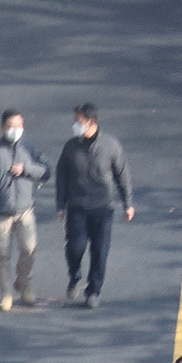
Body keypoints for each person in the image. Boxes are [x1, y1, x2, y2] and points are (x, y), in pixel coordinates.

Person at [55, 102, 133, 308]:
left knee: (100, 251)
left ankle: (93, 290)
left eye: (79, 121)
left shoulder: (111, 145)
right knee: (75, 246)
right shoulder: (71, 147)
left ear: (91, 122)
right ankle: (75, 276)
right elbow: (61, 174)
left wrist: (128, 203)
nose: (75, 126)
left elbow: (122, 174)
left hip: (103, 208)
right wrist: (60, 204)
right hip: (77, 207)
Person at [0, 106, 49, 312]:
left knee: (29, 249)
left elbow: (46, 171)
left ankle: (23, 283)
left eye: (18, 126)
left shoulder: (30, 149)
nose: (15, 130)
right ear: (2, 127)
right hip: (0, 211)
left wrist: (26, 169)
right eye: (10, 126)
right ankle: (6, 293)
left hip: (25, 209)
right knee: (2, 254)